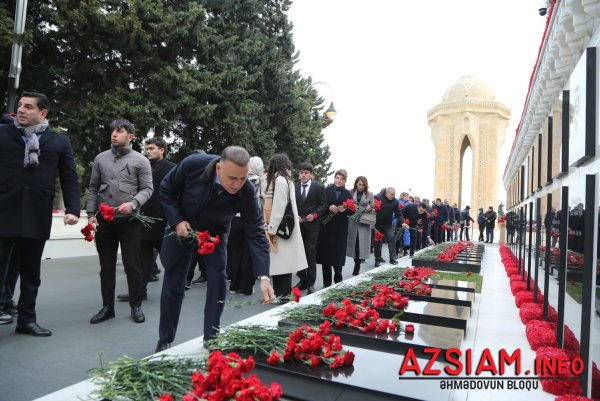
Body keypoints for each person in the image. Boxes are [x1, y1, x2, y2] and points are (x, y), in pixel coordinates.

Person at [156, 146, 274, 352]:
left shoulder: (246, 191)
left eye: (243, 178)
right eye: (232, 178)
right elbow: (166, 188)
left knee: (218, 279)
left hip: (215, 231)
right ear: (219, 168)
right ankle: (165, 338)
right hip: (183, 225)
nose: (237, 185)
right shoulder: (192, 165)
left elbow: (255, 231)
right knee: (174, 280)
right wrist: (177, 220)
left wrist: (263, 276)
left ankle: (212, 336)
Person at [0, 92, 80, 335]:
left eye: (28, 107)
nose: (21, 110)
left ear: (43, 113)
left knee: (31, 273)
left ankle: (26, 320)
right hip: (4, 211)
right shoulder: (3, 134)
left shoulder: (59, 141)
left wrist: (73, 209)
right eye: (20, 105)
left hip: (36, 213)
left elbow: (69, 177)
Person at [87, 118, 153, 325]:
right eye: (113, 131)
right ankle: (107, 308)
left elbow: (148, 189)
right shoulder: (100, 158)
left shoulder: (141, 160)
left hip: (130, 221)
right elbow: (93, 188)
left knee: (132, 265)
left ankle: (136, 306)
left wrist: (133, 204)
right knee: (106, 267)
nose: (114, 134)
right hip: (104, 222)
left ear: (130, 136)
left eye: (119, 131)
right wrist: (91, 214)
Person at [116, 137, 175, 303]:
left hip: (163, 222)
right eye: (146, 149)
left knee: (170, 260)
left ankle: (174, 292)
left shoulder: (172, 168)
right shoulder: (143, 166)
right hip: (142, 221)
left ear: (162, 150)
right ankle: (139, 293)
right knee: (141, 261)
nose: (147, 151)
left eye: (151, 148)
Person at [264, 153, 306, 299]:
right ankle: (281, 294)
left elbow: (279, 206)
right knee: (283, 264)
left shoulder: (280, 180)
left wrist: (272, 228)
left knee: (281, 264)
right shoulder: (287, 180)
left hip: (281, 228)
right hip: (287, 227)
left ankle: (282, 296)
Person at [228, 156, 266, 295]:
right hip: (251, 220)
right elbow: (263, 201)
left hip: (235, 219)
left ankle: (234, 285)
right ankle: (245, 287)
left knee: (234, 253)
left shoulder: (239, 179)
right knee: (248, 255)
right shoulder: (261, 181)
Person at [294, 162, 327, 294]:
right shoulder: (294, 186)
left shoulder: (318, 187)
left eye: (306, 173)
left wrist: (315, 215)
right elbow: (291, 204)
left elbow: (323, 205)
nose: (303, 175)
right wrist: (295, 215)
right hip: (298, 225)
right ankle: (302, 280)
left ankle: (311, 283)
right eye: (301, 172)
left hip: (312, 226)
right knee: (299, 253)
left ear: (311, 174)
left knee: (310, 253)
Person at [316, 169, 353, 286]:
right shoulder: (326, 190)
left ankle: (338, 280)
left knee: (338, 256)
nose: (339, 180)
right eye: (337, 178)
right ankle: (326, 284)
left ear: (345, 181)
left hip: (340, 229)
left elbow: (352, 211)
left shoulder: (347, 193)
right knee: (326, 256)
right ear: (334, 178)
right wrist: (328, 207)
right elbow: (320, 204)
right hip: (326, 228)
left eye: (342, 179)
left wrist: (345, 209)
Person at [345, 176, 373, 275]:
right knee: (352, 244)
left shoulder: (370, 194)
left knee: (359, 244)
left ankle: (357, 265)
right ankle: (356, 260)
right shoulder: (350, 192)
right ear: (356, 184)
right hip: (352, 222)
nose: (361, 186)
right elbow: (346, 204)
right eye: (359, 184)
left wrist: (370, 208)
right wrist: (351, 206)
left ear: (366, 185)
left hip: (363, 223)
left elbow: (374, 207)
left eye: (363, 185)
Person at [373, 187, 403, 267]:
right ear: (386, 193)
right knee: (378, 242)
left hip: (388, 225)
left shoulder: (395, 201)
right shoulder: (377, 198)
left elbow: (398, 213)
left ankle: (392, 258)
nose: (393, 196)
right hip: (377, 224)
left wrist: (403, 222)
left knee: (392, 239)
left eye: (394, 194)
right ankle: (377, 259)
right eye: (391, 194)